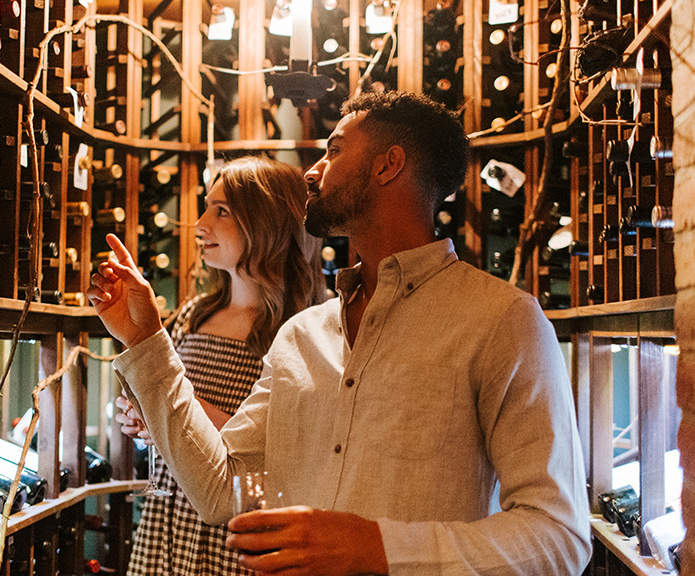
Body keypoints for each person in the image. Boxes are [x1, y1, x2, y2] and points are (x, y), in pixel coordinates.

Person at [89, 91, 592, 576]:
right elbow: (220, 489)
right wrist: (147, 342)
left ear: (387, 164)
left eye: (333, 150)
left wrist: (376, 547)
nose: (311, 171)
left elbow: (558, 537)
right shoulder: (301, 336)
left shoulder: (502, 320)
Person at [115, 156, 325, 576]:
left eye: (222, 211)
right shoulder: (194, 314)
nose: (200, 223)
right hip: (169, 522)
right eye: (207, 206)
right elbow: (167, 434)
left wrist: (167, 412)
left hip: (243, 534)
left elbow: (292, 450)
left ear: (266, 223)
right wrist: (141, 423)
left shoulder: (306, 331)